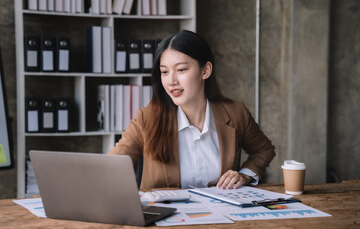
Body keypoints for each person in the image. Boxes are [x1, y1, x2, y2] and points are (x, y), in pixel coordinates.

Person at [109, 30, 275, 190]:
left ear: (205, 70)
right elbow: (112, 166)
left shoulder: (236, 113)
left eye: (181, 70)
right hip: (166, 216)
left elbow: (264, 150)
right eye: (164, 72)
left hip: (221, 215)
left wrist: (245, 175)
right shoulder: (147, 118)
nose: (171, 81)